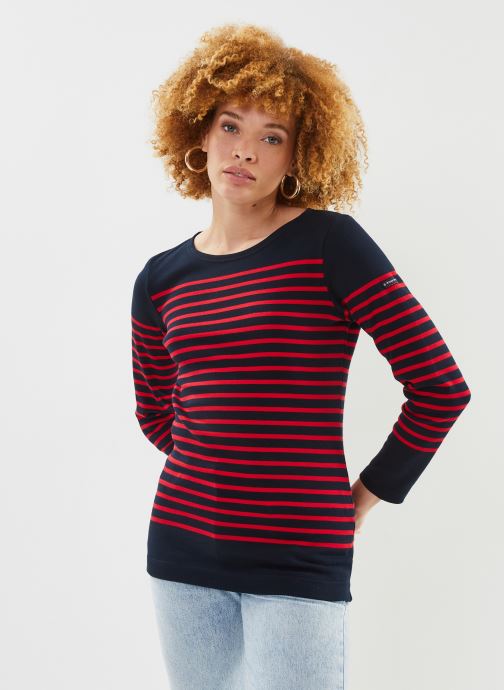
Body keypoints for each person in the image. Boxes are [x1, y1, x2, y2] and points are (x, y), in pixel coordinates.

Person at [130, 23, 471, 690]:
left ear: (298, 156)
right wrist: (226, 466)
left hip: (298, 560)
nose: (244, 150)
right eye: (231, 126)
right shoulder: (161, 278)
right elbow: (157, 415)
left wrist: (360, 500)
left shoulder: (329, 245)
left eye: (272, 137)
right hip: (180, 555)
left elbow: (440, 388)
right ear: (199, 133)